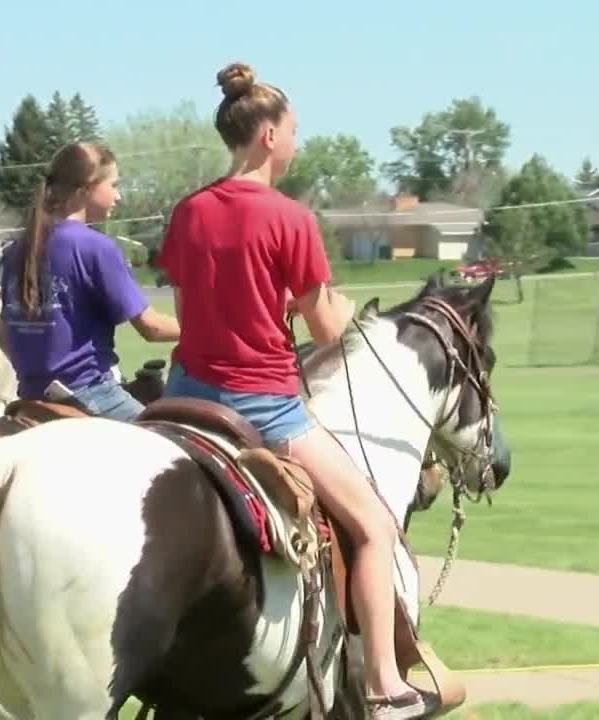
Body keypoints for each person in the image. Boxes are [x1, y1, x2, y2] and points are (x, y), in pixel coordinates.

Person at [156, 63, 440, 719]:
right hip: (261, 404)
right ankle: (384, 685)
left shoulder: (188, 211)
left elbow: (190, 303)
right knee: (372, 527)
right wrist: (347, 321)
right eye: (293, 132)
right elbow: (326, 324)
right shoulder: (289, 217)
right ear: (265, 137)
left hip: (182, 393)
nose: (296, 143)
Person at [0, 142, 179, 421]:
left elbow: (4, 337)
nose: (118, 196)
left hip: (31, 399)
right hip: (90, 395)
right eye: (114, 185)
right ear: (86, 190)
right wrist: (207, 331)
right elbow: (152, 328)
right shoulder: (95, 247)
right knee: (173, 447)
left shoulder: (16, 250)